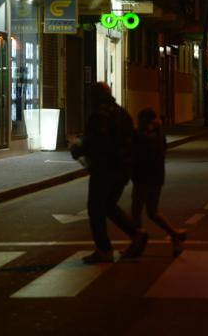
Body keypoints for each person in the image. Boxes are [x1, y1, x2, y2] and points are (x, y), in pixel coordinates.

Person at [70, 83, 148, 264]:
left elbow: (98, 143)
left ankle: (104, 249)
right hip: (123, 169)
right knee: (109, 206)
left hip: (105, 169)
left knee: (96, 208)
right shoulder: (121, 112)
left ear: (94, 97)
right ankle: (136, 233)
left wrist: (79, 148)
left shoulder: (99, 116)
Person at [131, 108, 187, 257]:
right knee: (152, 212)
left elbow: (138, 155)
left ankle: (135, 244)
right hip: (156, 178)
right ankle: (175, 234)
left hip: (143, 178)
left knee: (136, 212)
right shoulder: (159, 135)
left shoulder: (145, 137)